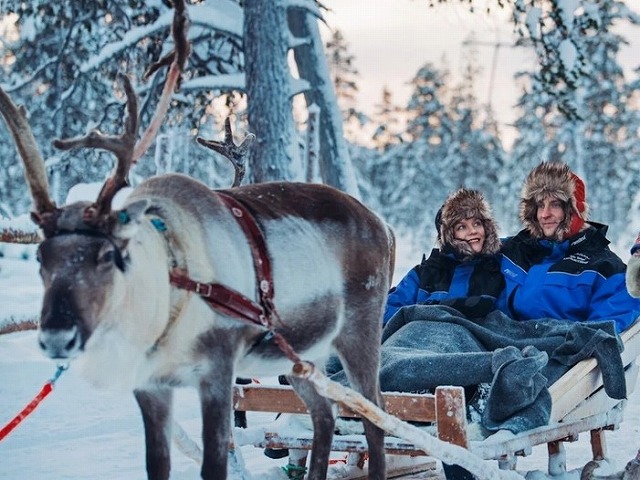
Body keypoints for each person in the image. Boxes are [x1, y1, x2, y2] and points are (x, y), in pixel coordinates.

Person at [500, 161, 640, 333]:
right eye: (540, 205)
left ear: (575, 210)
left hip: (558, 355)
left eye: (555, 204)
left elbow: (598, 334)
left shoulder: (605, 268)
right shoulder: (511, 250)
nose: (545, 214)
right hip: (497, 348)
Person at [384, 187, 505, 325]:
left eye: (477, 223)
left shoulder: (499, 270)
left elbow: (507, 322)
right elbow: (384, 313)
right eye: (462, 227)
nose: (473, 231)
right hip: (418, 342)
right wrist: (429, 311)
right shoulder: (424, 274)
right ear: (449, 236)